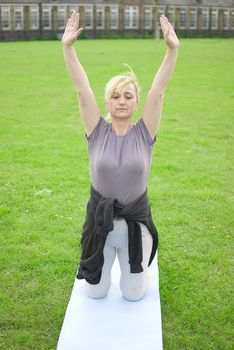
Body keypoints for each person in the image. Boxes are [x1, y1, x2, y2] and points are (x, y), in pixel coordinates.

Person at [62, 11, 180, 302]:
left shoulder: (145, 132)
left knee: (133, 295)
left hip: (135, 225)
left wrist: (172, 50)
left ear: (137, 102)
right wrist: (68, 48)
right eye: (116, 96)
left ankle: (138, 275)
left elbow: (158, 91)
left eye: (128, 96)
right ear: (108, 101)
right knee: (96, 292)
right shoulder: (96, 131)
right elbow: (81, 90)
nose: (122, 101)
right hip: (100, 223)